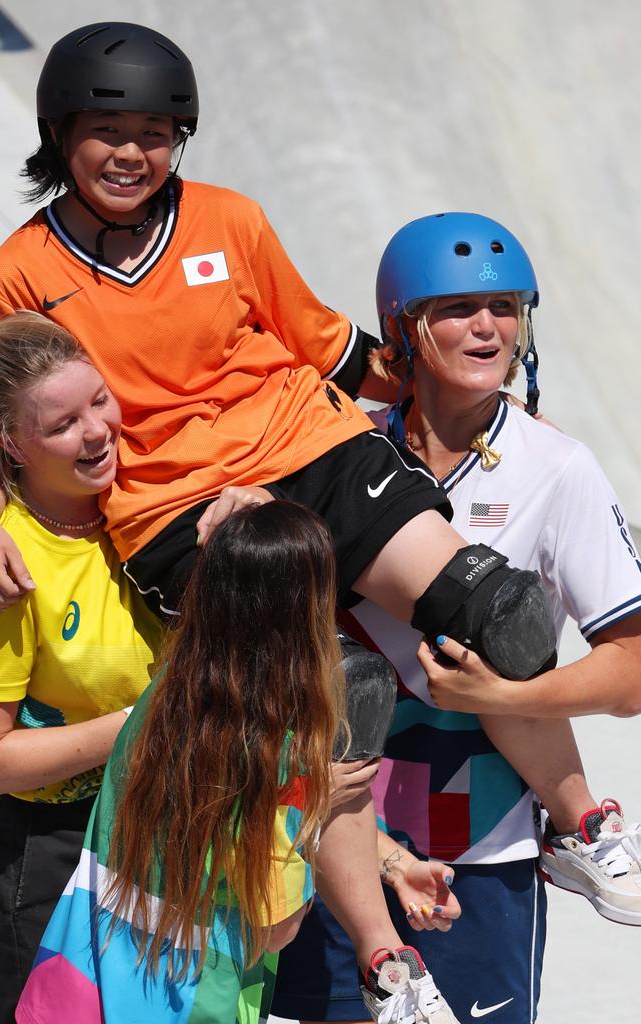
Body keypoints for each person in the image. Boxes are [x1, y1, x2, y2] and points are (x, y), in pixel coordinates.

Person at [0, 23, 561, 1023]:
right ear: (58, 133)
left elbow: (328, 347)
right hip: (175, 507)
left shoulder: (229, 221)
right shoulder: (17, 273)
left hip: (307, 447)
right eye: (107, 130)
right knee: (335, 687)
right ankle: (381, 954)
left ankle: (577, 827)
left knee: (495, 608)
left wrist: (468, 402)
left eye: (155, 132)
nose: (131, 153)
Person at [272, 212, 641, 1024]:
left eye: (506, 307)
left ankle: (582, 828)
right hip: (328, 837)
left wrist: (504, 700)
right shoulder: (335, 450)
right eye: (456, 309)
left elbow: (632, 669)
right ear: (404, 327)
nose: (488, 327)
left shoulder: (559, 467)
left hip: (481, 857)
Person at [14, 501, 346, 1023]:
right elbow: (275, 926)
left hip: (83, 988)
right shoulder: (281, 755)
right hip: (191, 1005)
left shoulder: (158, 699)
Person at [0, 310, 165, 1024]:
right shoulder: (0, 571)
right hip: (56, 855)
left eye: (99, 400)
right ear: (10, 445)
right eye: (62, 424)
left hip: (172, 829)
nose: (97, 431)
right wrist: (139, 724)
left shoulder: (154, 503)